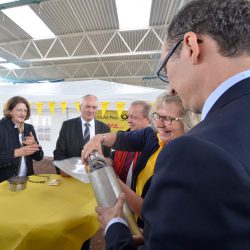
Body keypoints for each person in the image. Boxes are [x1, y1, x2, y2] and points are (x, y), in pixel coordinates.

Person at [84, 0, 250, 249]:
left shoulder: (196, 151)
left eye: (166, 68)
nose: (171, 87)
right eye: (157, 117)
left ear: (192, 47)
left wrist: (114, 225)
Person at [82, 94, 193, 225]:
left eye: (168, 118)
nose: (159, 124)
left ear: (187, 121)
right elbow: (123, 138)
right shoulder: (152, 135)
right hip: (137, 218)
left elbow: (151, 213)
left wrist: (111, 176)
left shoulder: (186, 159)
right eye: (157, 116)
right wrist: (98, 138)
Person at [54, 94, 111, 250]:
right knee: (69, 216)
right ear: (80, 107)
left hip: (94, 183)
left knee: (87, 219)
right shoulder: (67, 125)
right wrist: (62, 169)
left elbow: (108, 156)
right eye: (87, 106)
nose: (90, 110)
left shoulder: (104, 128)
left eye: (94, 107)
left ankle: (84, 244)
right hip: (71, 181)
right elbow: (58, 152)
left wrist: (107, 163)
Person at [0, 96, 43, 183]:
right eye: (19, 110)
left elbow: (39, 157)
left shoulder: (29, 128)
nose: (23, 113)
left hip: (27, 180)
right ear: (10, 111)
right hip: (5, 182)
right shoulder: (1, 127)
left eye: (25, 110)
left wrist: (34, 144)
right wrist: (17, 152)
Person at [113, 100, 151, 186]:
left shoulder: (156, 144)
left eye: (134, 117)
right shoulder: (122, 139)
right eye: (128, 116)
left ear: (148, 119)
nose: (129, 121)